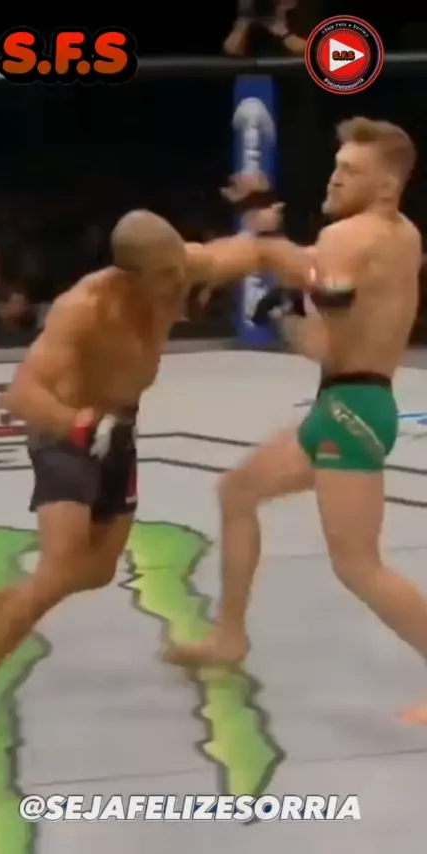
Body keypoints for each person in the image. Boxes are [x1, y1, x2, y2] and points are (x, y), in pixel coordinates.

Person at [0, 207, 311, 744]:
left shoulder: (181, 267)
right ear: (129, 275)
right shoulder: (84, 307)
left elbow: (253, 250)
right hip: (65, 430)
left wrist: (302, 263)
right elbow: (21, 394)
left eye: (179, 266)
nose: (178, 282)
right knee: (61, 565)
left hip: (117, 430)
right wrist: (78, 425)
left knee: (95, 571)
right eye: (164, 275)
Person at [166, 118, 427, 725]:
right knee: (237, 492)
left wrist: (280, 301)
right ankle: (229, 636)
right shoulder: (399, 233)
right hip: (345, 405)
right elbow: (300, 269)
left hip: (350, 411)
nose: (335, 178)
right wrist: (269, 241)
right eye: (337, 166)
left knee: (358, 566)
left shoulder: (348, 237)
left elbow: (319, 341)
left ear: (386, 186)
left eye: (351, 171)